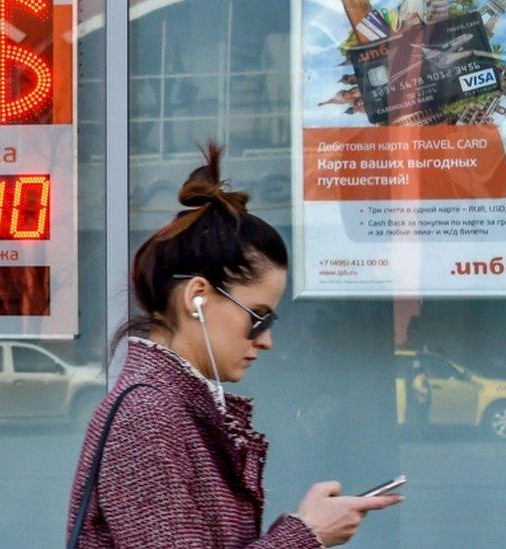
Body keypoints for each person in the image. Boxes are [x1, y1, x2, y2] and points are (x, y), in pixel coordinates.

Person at [66, 143, 402, 548]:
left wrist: (300, 528)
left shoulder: (174, 407)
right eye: (258, 316)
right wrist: (306, 535)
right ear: (197, 297)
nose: (267, 340)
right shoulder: (149, 416)